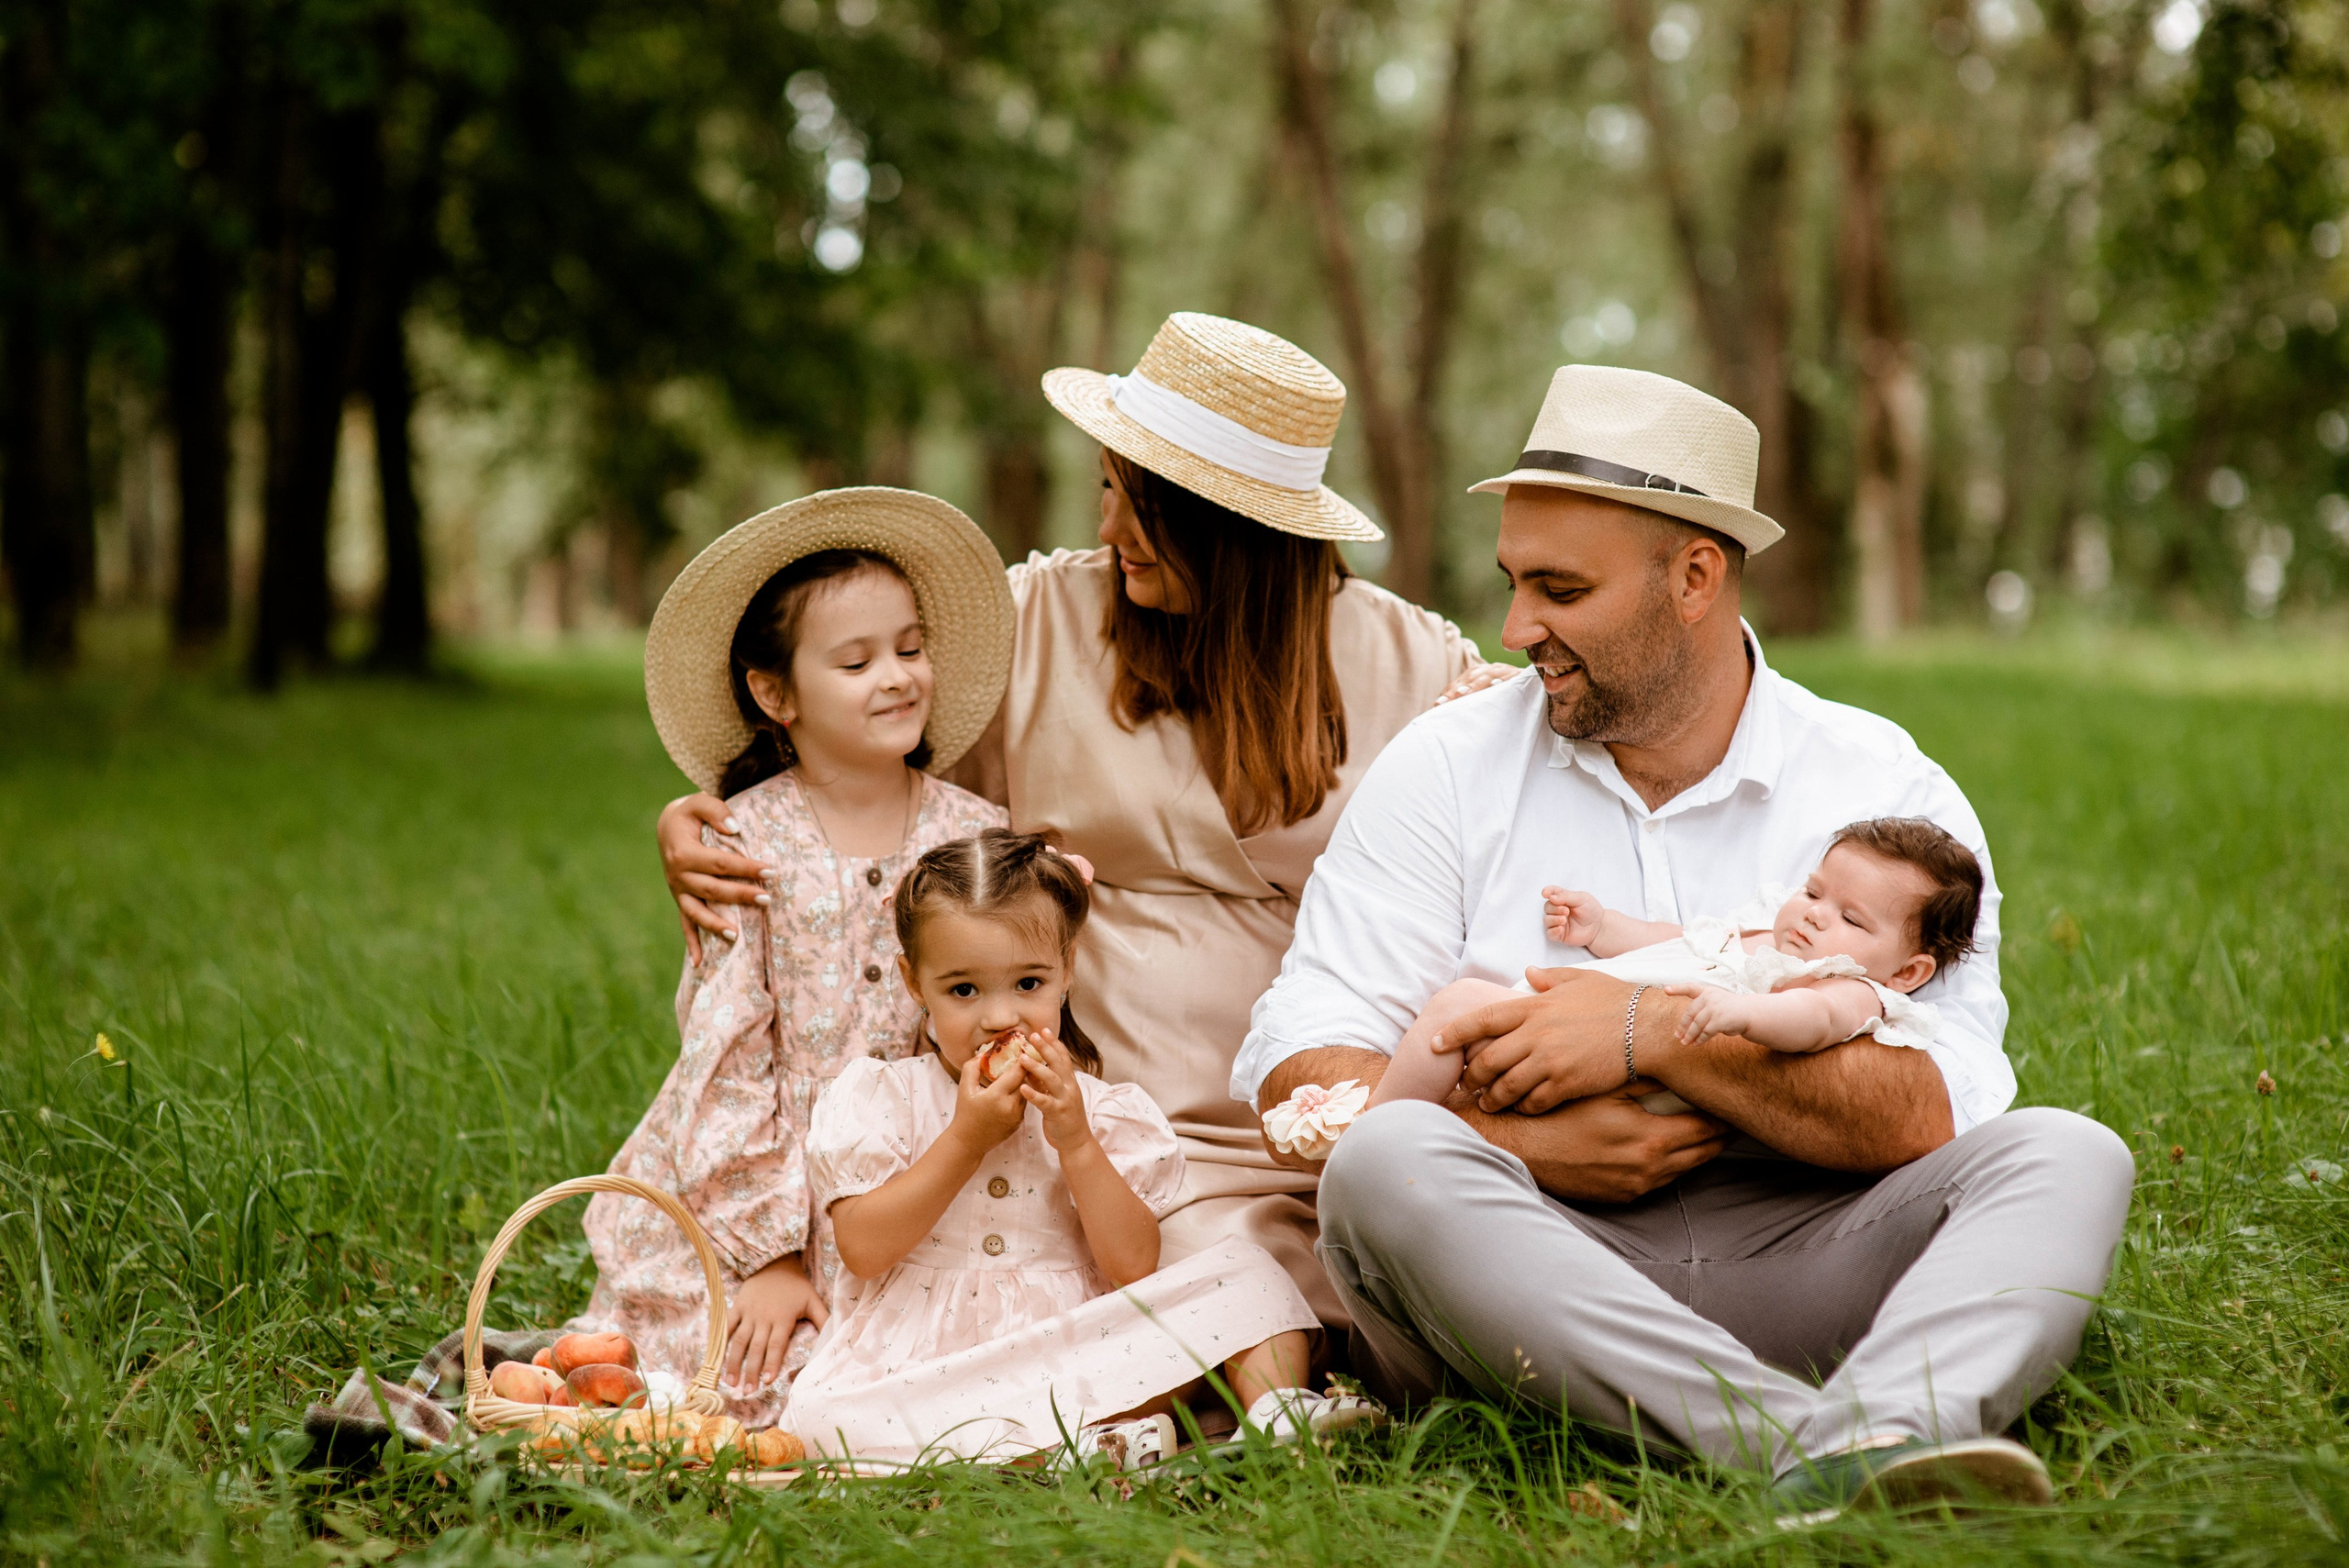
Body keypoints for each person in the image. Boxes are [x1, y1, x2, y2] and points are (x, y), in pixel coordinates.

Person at [1236, 364, 2135, 1519]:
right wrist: (1519, 1140)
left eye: (1560, 588)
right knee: (1380, 1163)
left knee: (2066, 1152)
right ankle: (1833, 1442)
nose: (1517, 630)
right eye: (1513, 583)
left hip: (1811, 1245)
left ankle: (1863, 1421)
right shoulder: (1446, 766)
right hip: (1520, 1273)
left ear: (1694, 577)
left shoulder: (1882, 784)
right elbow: (1301, 1065)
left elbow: (1934, 1105)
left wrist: (1641, 1030)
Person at [656, 313, 1496, 1329]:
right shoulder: (1037, 624)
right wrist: (701, 817)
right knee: (1167, 1305)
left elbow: (1514, 829)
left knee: (1350, 1295)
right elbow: (840, 759)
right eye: (1106, 488)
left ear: (1234, 529)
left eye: (1142, 508)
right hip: (1085, 1103)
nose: (1110, 529)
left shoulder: (1408, 662)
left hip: (1311, 1101)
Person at [572, 489, 1012, 1426]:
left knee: (947, 1360)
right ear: (775, 693)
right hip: (768, 1179)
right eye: (855, 660)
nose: (895, 676)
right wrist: (768, 1252)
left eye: (909, 646)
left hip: (921, 1170)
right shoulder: (743, 846)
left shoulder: (973, 836)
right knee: (750, 1365)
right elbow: (723, 1061)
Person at [786, 829, 1368, 1469]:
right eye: (963, 990)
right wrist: (964, 1139)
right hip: (925, 1370)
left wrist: (1077, 1140)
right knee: (822, 1420)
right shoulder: (883, 1097)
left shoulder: (1101, 1109)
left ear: (1067, 970)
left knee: (1249, 1275)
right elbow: (864, 1249)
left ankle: (1279, 1419)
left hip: (1075, 1358)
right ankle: (1081, 1449)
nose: (999, 1016)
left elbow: (1133, 1264)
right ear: (913, 982)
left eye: (1028, 982)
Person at [1354, 816, 1983, 1115]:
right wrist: (1604, 928)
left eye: (1852, 918)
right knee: (1464, 1020)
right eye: (1816, 892)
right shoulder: (1768, 929)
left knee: (1459, 1012)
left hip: (1630, 1070)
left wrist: (1748, 1013)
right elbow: (1684, 940)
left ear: (1908, 973)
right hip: (1581, 1024)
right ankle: (1387, 1119)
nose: (1817, 916)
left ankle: (1367, 1131)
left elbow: (1813, 1019)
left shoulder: (1849, 988)